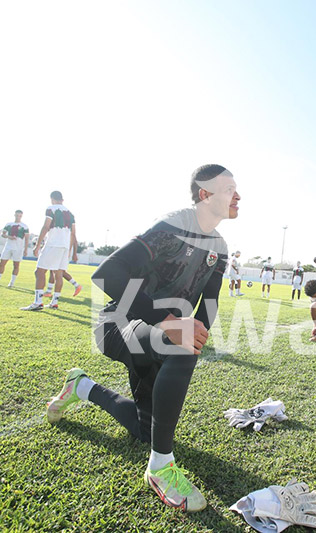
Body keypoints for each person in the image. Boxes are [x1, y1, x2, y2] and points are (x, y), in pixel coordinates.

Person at [46, 164, 240, 511]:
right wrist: (169, 322)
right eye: (229, 189)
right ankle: (160, 468)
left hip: (154, 334)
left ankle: (81, 387)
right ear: (205, 194)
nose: (237, 196)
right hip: (117, 323)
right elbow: (107, 275)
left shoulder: (220, 246)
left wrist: (198, 330)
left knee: (144, 429)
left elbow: (210, 299)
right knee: (180, 349)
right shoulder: (174, 225)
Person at [21, 191, 77, 310]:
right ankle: (54, 302)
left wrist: (37, 245)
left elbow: (46, 226)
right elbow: (73, 234)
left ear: (52, 199)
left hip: (53, 244)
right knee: (59, 274)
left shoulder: (51, 208)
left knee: (39, 272)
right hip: (65, 246)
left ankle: (38, 302)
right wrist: (70, 251)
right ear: (62, 199)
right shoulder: (70, 213)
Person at [0, 210, 29, 287]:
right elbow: (3, 234)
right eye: (17, 215)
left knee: (16, 265)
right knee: (2, 264)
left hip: (18, 249)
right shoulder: (9, 224)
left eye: (20, 216)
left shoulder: (24, 226)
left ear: (21, 216)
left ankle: (12, 283)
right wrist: (9, 237)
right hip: (8, 247)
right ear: (14, 215)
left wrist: (25, 249)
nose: (18, 217)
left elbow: (26, 239)